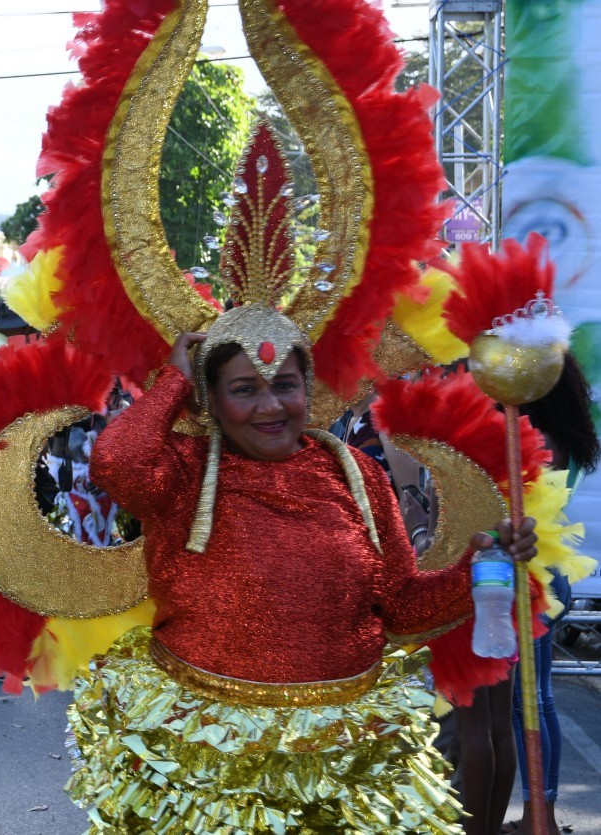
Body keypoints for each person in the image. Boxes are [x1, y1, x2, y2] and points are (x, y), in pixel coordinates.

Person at [69, 328, 537, 832]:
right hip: (206, 750)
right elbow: (117, 461)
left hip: (347, 752)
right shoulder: (182, 470)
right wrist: (175, 379)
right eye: (245, 388)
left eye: (285, 385)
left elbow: (402, 609)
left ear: (307, 390)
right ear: (212, 401)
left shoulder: (354, 473)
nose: (270, 406)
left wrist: (480, 569)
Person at [505, 353, 600, 834]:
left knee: (533, 699)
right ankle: (536, 814)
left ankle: (538, 817)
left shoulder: (536, 437)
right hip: (536, 571)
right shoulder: (553, 432)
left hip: (533, 574)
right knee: (529, 698)